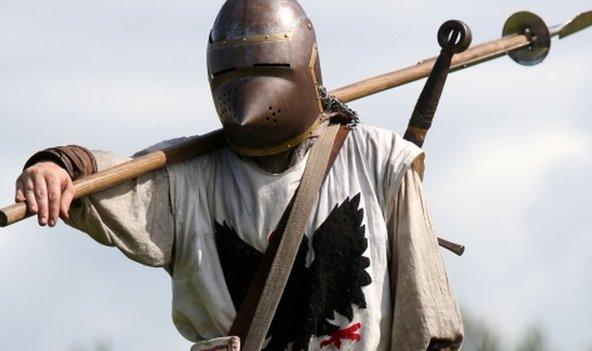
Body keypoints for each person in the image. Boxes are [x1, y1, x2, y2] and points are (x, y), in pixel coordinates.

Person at [14, 0, 463, 350]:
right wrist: (58, 166)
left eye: (264, 68)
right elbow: (107, 183)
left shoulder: (382, 162)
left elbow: (428, 323)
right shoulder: (188, 178)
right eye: (232, 70)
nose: (248, 90)